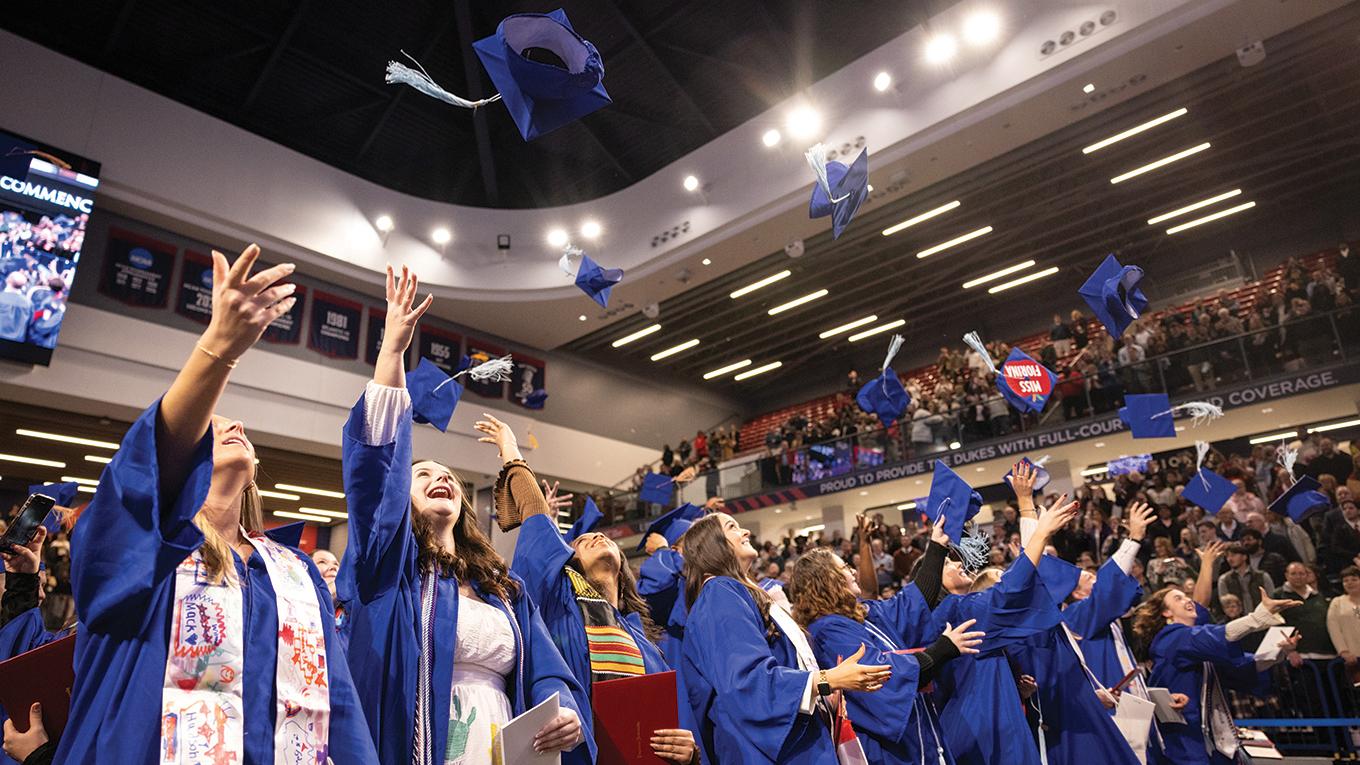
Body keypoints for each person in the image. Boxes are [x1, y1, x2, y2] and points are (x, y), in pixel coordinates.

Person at [57, 245, 376, 763]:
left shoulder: (293, 571)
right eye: (215, 422)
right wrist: (219, 350)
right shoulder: (143, 552)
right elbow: (144, 476)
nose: (236, 426)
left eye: (238, 426)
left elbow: (335, 696)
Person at [338, 265, 586, 764]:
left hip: (502, 746)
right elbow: (374, 480)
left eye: (447, 473)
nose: (441, 478)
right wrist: (391, 353)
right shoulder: (390, 570)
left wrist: (566, 713)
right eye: (422, 473)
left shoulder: (502, 589)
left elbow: (546, 668)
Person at [490, 416, 697, 765]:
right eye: (582, 542)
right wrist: (511, 451)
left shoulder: (643, 640)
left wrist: (688, 751)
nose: (596, 536)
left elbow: (670, 722)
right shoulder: (557, 603)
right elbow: (537, 521)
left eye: (603, 538)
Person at [678, 512, 893, 763]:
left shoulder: (742, 593)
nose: (745, 532)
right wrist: (825, 680)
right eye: (732, 527)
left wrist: (824, 693)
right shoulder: (719, 592)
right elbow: (747, 682)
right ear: (712, 545)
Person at [791, 528, 983, 765]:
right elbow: (880, 675)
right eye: (843, 568)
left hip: (917, 739)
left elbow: (910, 604)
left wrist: (936, 547)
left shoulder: (861, 616)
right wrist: (942, 650)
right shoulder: (829, 632)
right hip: (890, 752)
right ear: (826, 581)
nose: (852, 570)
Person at [930, 495, 1081, 765]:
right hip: (983, 728)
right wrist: (1038, 530)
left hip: (986, 717)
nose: (957, 563)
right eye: (946, 564)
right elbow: (1012, 589)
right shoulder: (957, 611)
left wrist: (1014, 686)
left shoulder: (956, 614)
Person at [1132, 585, 1300, 764]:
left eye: (1186, 596)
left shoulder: (1196, 646)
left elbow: (1244, 666)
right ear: (1166, 613)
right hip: (1184, 737)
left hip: (1211, 736)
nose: (1188, 600)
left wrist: (1280, 651)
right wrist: (1257, 618)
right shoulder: (1170, 638)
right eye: (1178, 598)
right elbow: (1215, 635)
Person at [1274, 562, 1335, 661]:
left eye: (1301, 573)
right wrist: (1289, 651)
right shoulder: (1278, 595)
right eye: (1293, 573)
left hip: (1327, 653)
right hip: (1299, 655)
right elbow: (1276, 624)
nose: (1298, 577)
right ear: (1286, 575)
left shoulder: (1318, 595)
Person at [1326, 566, 1360, 666]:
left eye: (1354, 579)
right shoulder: (1337, 602)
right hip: (1353, 657)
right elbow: (1334, 628)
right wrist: (1343, 651)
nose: (1350, 583)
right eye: (1346, 580)